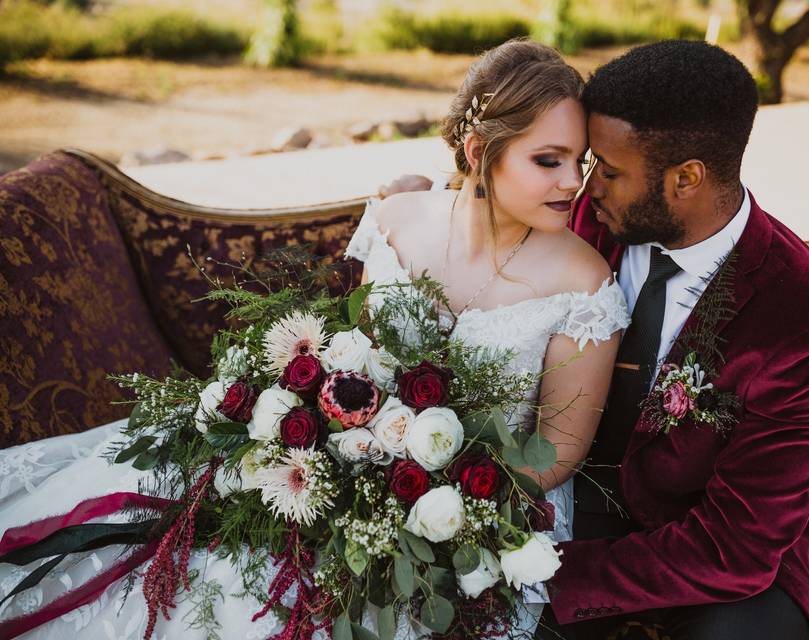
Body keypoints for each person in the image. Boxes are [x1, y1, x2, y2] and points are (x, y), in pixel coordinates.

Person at [0, 39, 629, 639]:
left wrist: (414, 493)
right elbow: (353, 354)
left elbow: (558, 453)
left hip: (479, 515)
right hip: (336, 471)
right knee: (190, 563)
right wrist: (336, 459)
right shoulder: (396, 219)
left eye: (581, 162)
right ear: (476, 150)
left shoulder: (583, 282)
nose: (572, 182)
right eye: (549, 160)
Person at [381, 41, 809, 640]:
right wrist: (429, 194)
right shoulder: (587, 215)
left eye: (606, 170)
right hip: (569, 498)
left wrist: (534, 577)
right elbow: (495, 200)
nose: (584, 185)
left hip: (714, 548)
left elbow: (735, 546)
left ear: (686, 179)